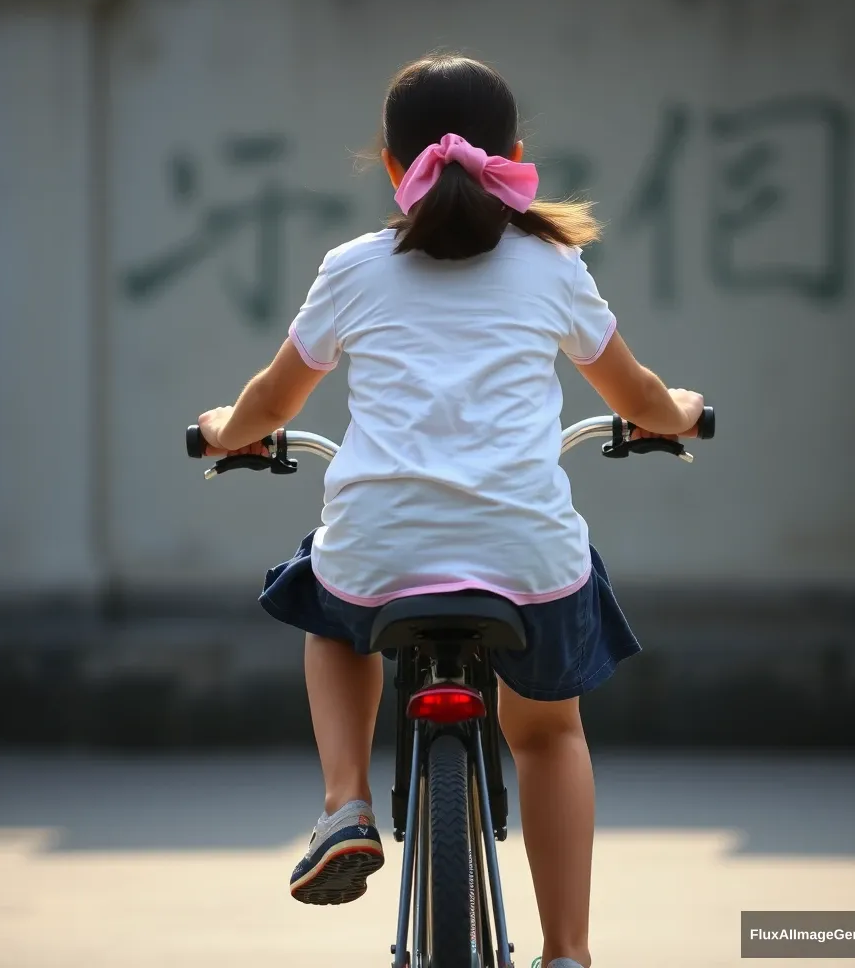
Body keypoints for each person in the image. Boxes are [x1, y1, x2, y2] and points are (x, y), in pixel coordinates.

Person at [195, 53, 704, 968]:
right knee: (549, 733)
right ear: (512, 156)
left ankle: (345, 802)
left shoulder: (352, 269)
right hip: (529, 560)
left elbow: (272, 405)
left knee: (324, 596)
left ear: (393, 169)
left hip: (379, 548)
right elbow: (637, 396)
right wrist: (683, 415)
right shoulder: (552, 265)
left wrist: (225, 429)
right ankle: (569, 954)